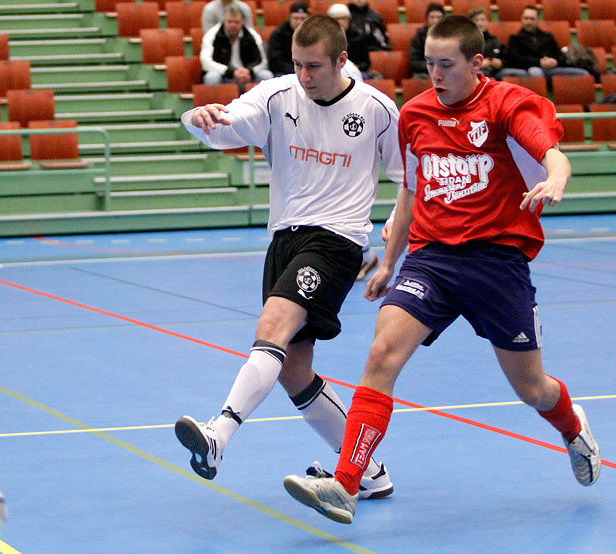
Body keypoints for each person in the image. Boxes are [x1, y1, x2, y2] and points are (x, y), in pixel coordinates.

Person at [284, 14, 601, 524]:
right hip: (431, 259)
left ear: (477, 63)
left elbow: (552, 153)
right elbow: (410, 190)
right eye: (429, 62)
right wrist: (389, 263)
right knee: (382, 353)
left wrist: (556, 180)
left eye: (446, 64)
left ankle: (571, 426)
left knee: (532, 387)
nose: (435, 73)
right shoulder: (415, 114)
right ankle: (345, 484)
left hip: (497, 262)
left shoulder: (505, 105)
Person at [175, 14, 405, 502]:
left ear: (343, 61)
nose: (304, 76)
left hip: (336, 242)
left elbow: (409, 176)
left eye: (314, 67)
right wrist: (200, 120)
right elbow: (227, 125)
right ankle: (368, 473)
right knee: (293, 370)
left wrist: (393, 234)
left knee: (271, 328)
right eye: (298, 65)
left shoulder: (378, 110)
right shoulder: (278, 95)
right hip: (284, 240)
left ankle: (219, 434)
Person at [506, 5, 589, 84]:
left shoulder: (548, 37)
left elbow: (560, 56)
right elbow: (515, 60)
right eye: (526, 18)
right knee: (535, 72)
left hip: (552, 69)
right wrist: (539, 62)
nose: (528, 22)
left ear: (538, 20)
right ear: (522, 19)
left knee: (583, 73)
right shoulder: (515, 39)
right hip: (531, 70)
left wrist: (555, 61)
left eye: (532, 19)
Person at [200, 5, 273, 90]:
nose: (233, 25)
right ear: (224, 21)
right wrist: (231, 72)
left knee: (266, 75)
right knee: (211, 77)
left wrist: (249, 71)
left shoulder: (252, 35)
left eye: (236, 22)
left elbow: (262, 61)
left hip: (248, 75)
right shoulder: (212, 35)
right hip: (223, 74)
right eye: (229, 22)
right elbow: (206, 61)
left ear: (242, 21)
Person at [469, 6, 527, 79]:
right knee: (479, 75)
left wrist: (500, 63)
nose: (480, 23)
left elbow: (508, 58)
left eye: (482, 20)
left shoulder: (495, 40)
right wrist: (478, 65)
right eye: (476, 20)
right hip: (478, 71)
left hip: (497, 71)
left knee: (522, 73)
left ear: (487, 22)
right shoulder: (467, 41)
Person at [327, 3, 373, 78]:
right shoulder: (325, 38)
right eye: (337, 19)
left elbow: (366, 63)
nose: (341, 22)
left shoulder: (358, 36)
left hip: (355, 71)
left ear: (349, 20)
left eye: (343, 18)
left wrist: (357, 66)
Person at [267, 1, 310, 77]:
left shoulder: (314, 34)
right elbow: (275, 61)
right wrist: (296, 70)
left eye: (302, 18)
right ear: (289, 18)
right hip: (285, 73)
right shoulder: (279, 34)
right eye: (296, 18)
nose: (299, 22)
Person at [408, 2, 444, 75]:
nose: (435, 21)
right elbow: (413, 62)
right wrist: (433, 66)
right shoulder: (418, 37)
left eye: (438, 17)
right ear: (426, 18)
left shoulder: (450, 36)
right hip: (425, 73)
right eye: (432, 17)